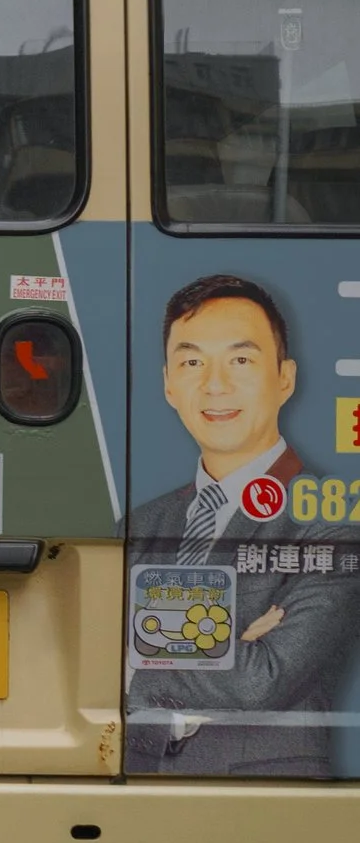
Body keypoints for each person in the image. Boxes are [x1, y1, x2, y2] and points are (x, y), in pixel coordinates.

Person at [127, 273, 360, 776]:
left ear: (285, 378)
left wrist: (131, 661)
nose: (215, 384)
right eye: (191, 362)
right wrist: (230, 648)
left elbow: (262, 680)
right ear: (168, 383)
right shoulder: (141, 523)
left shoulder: (331, 520)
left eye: (240, 360)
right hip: (134, 790)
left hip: (265, 801)